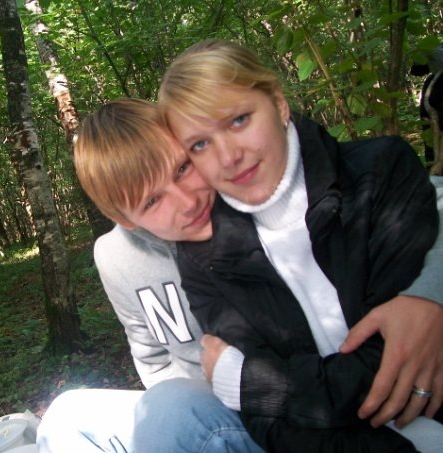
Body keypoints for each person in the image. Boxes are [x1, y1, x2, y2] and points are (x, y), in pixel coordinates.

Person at [44, 97, 443, 452]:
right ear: (123, 218)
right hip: (215, 407)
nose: (187, 202)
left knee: (169, 413)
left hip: (299, 401)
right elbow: (152, 358)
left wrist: (428, 295)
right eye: (151, 201)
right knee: (66, 416)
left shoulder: (248, 192)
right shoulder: (115, 257)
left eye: (183, 168)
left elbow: (428, 199)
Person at [157, 39, 443, 451]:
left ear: (278, 103)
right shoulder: (205, 258)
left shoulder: (377, 174)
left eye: (238, 120)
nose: (228, 157)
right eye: (200, 144)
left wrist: (249, 383)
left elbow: (394, 362)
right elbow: (267, 424)